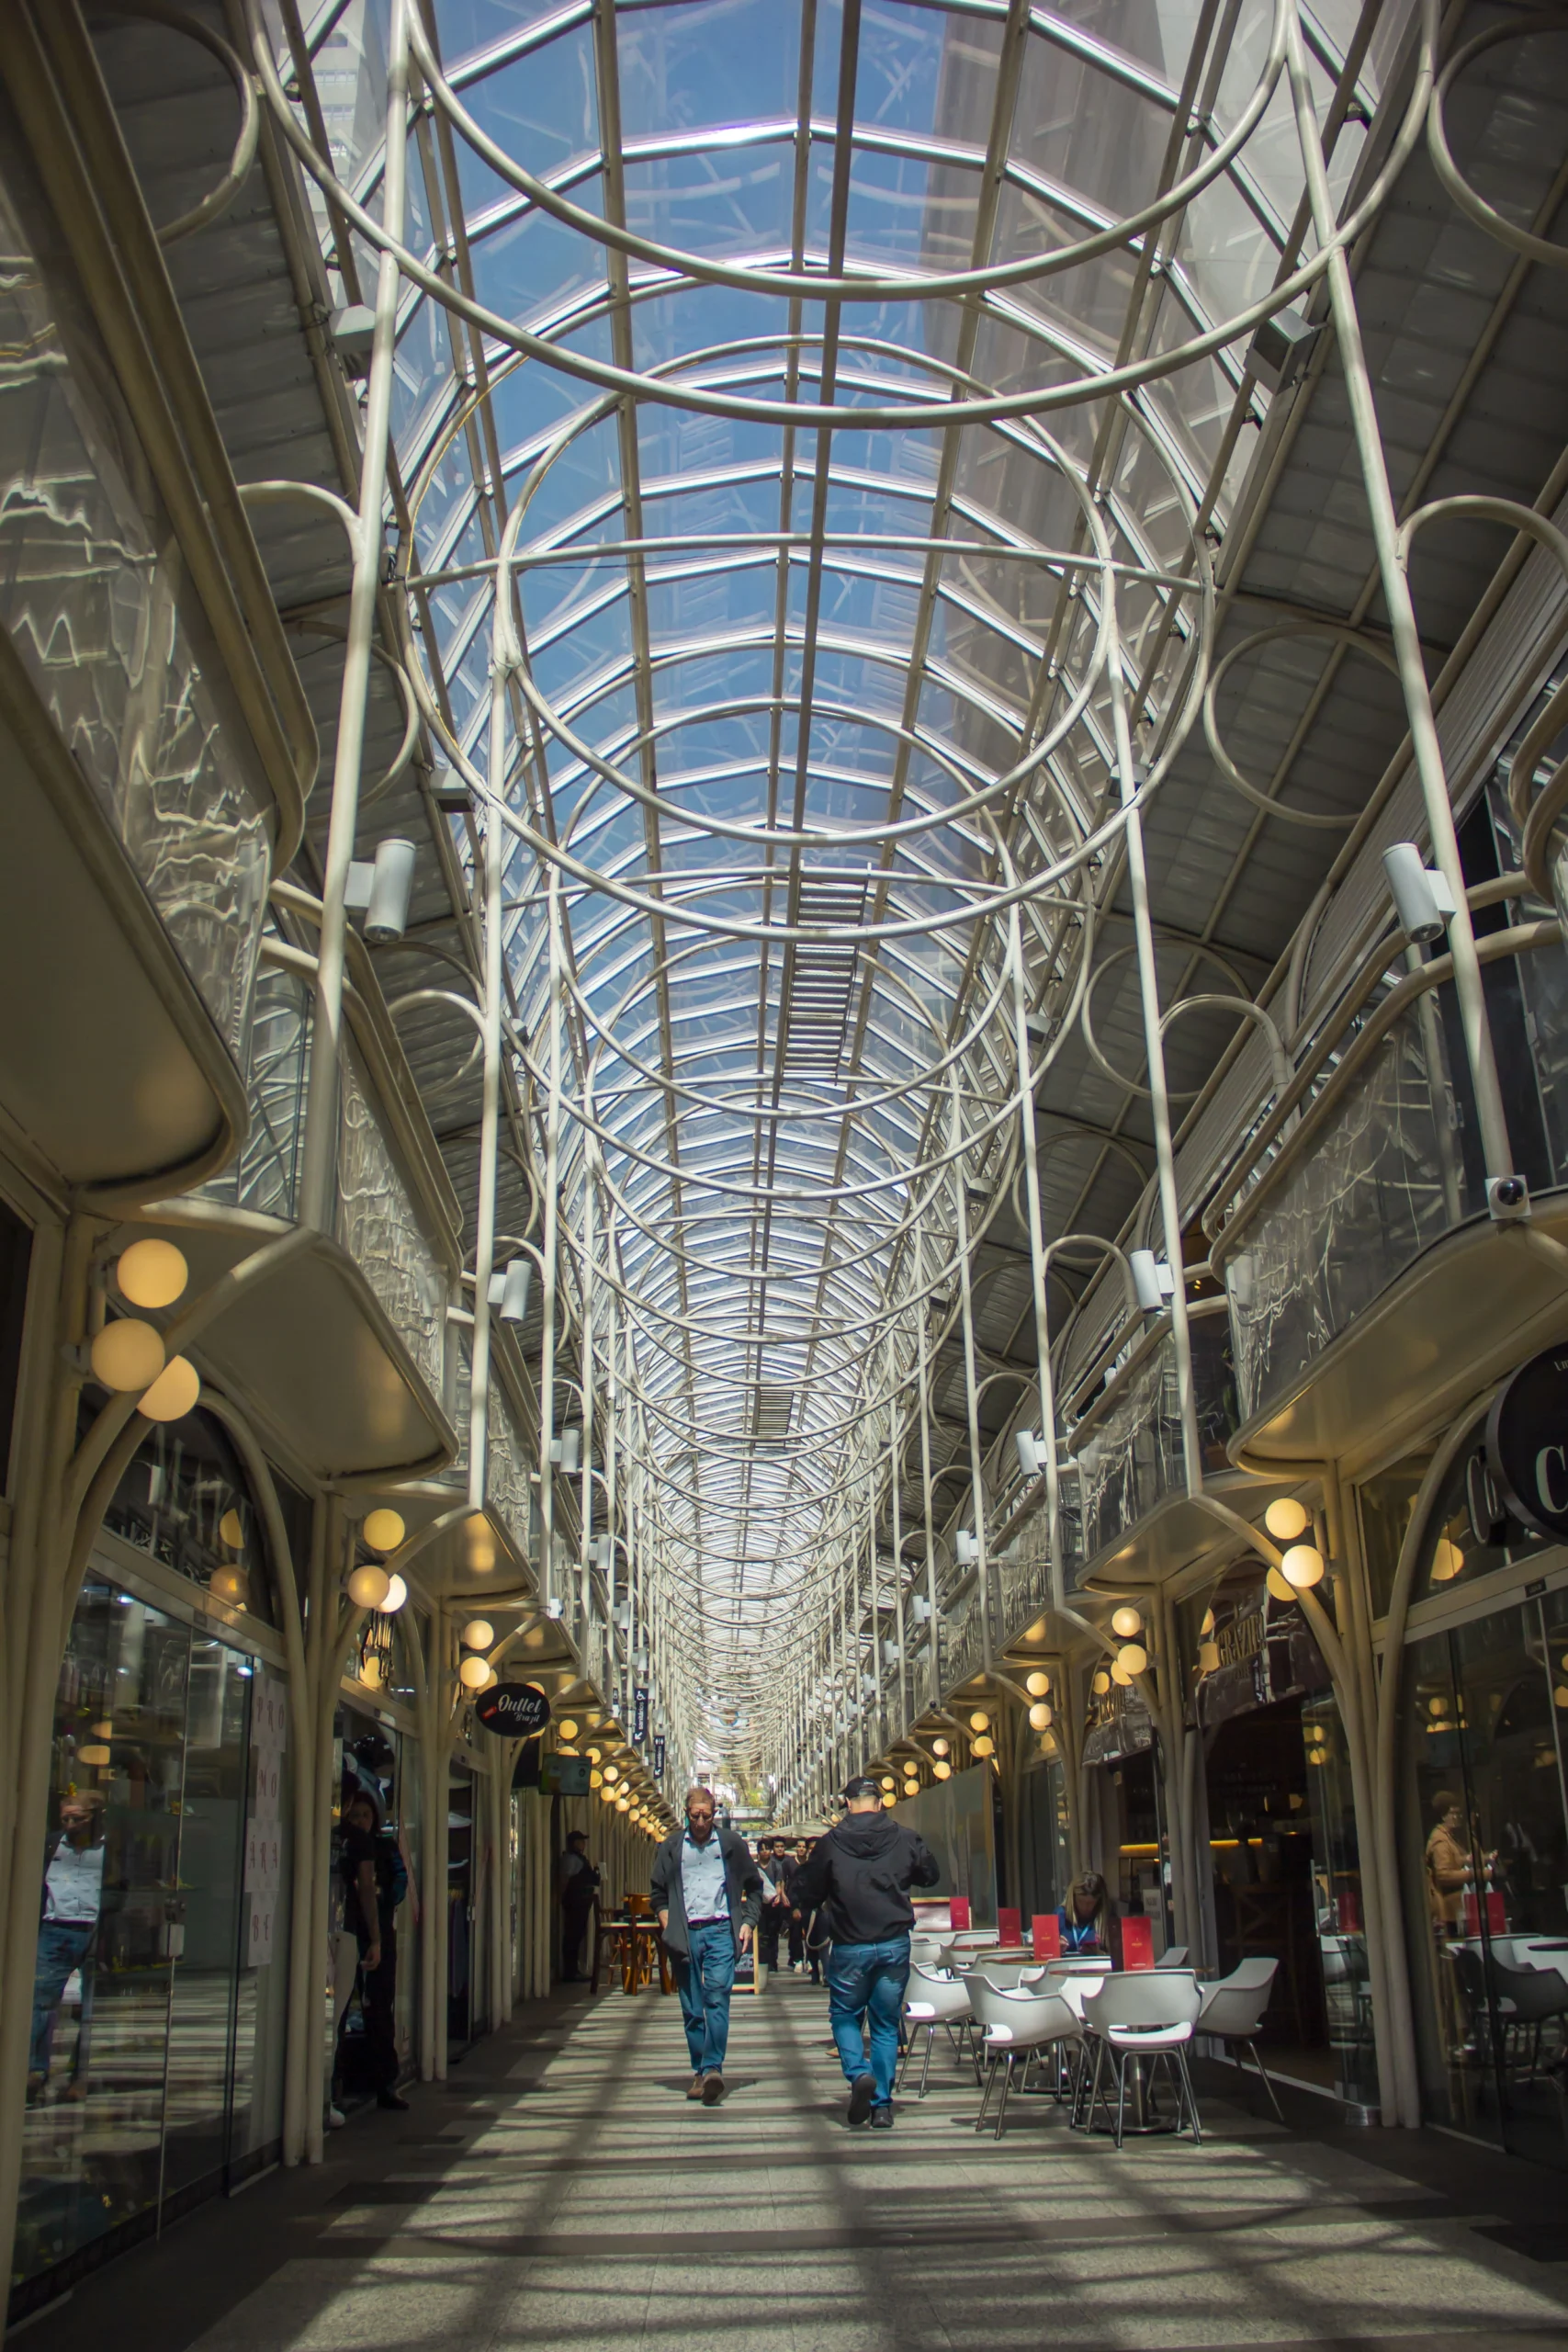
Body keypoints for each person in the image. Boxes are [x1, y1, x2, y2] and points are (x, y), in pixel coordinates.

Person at [790, 1776, 939, 2130]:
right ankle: (882, 2106)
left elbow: (807, 1891)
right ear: (879, 1801)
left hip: (850, 1945)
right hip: (893, 1944)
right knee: (886, 2025)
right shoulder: (903, 1837)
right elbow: (930, 1873)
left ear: (849, 1804)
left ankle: (859, 2073)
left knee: (844, 2016)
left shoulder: (831, 1843)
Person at [651, 1787, 762, 2104]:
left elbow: (755, 1887)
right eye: (694, 1815)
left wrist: (747, 1923)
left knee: (716, 1997)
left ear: (715, 1813)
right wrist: (666, 1921)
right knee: (691, 2008)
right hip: (685, 1934)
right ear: (686, 1812)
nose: (700, 1821)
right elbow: (657, 1891)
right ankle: (699, 2070)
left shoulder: (731, 1846)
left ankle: (712, 2068)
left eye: (707, 1815)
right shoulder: (671, 1847)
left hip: (719, 1931)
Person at [28, 1790, 107, 2103]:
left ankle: (80, 2074)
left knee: (90, 2008)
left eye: (79, 1818)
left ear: (95, 1817)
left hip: (93, 1930)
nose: (72, 1824)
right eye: (66, 1819)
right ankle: (35, 2070)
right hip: (54, 1928)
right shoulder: (50, 1845)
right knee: (41, 2001)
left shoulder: (107, 1850)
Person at [339, 1788, 410, 2110]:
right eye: (355, 1815)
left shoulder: (382, 1847)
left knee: (380, 2006)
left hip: (378, 1932)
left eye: (366, 1815)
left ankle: (385, 2081)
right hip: (347, 1932)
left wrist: (381, 1898)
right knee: (341, 2006)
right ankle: (340, 2081)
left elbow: (399, 1883)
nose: (361, 1821)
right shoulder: (345, 1846)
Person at [558, 1828, 601, 1983]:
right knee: (572, 1936)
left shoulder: (580, 1859)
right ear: (574, 1843)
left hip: (582, 1902)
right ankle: (570, 1971)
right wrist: (561, 1897)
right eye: (581, 1841)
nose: (584, 1844)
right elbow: (564, 1879)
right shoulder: (571, 1859)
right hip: (575, 1902)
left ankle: (574, 1969)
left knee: (578, 1935)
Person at [1057, 1871, 1108, 1952]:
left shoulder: (1107, 1919)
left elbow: (1117, 1958)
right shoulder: (1060, 1915)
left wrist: (1099, 1953)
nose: (1085, 1907)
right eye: (1081, 1901)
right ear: (1073, 1898)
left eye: (1091, 1903)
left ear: (1099, 1901)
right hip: (1066, 1964)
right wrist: (1055, 1948)